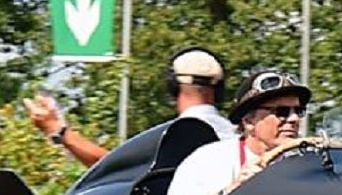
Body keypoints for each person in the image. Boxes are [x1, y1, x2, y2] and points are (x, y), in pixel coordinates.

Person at [24, 46, 234, 167]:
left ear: (172, 86)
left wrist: (59, 131)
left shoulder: (171, 138)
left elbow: (113, 167)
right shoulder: (237, 135)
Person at [161, 69, 310, 195]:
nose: (294, 119)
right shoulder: (206, 162)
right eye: (282, 112)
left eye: (299, 111)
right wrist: (232, 191)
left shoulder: (305, 166)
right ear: (248, 121)